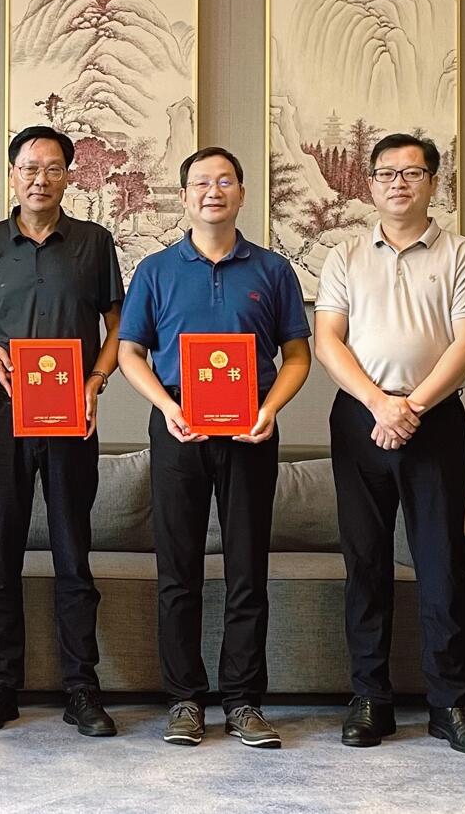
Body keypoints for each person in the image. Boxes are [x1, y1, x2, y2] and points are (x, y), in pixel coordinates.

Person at [118, 146, 312, 749]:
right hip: (178, 425)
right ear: (184, 197)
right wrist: (167, 407)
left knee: (247, 571)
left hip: (252, 425)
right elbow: (130, 352)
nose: (213, 191)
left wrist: (270, 409)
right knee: (178, 571)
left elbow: (297, 356)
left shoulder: (274, 270)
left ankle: (244, 702)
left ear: (242, 193)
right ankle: (184, 699)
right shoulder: (155, 270)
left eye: (225, 181)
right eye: (201, 183)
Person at [313, 133, 465, 755]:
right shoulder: (343, 255)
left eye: (412, 173)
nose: (398, 182)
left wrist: (410, 408)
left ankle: (450, 704)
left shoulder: (462, 254)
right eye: (386, 173)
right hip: (358, 419)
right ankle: (371, 700)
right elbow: (328, 341)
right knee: (365, 563)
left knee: (441, 563)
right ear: (369, 184)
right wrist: (379, 404)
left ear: (432, 183)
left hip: (434, 421)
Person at [0, 126, 123, 736]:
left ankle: (82, 689)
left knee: (72, 553)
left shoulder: (93, 242)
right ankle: (0, 688)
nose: (40, 179)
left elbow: (119, 323)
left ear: (68, 176)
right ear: (12, 175)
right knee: (0, 553)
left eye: (53, 168)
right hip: (3, 414)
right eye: (29, 168)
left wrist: (96, 380)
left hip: (72, 415)